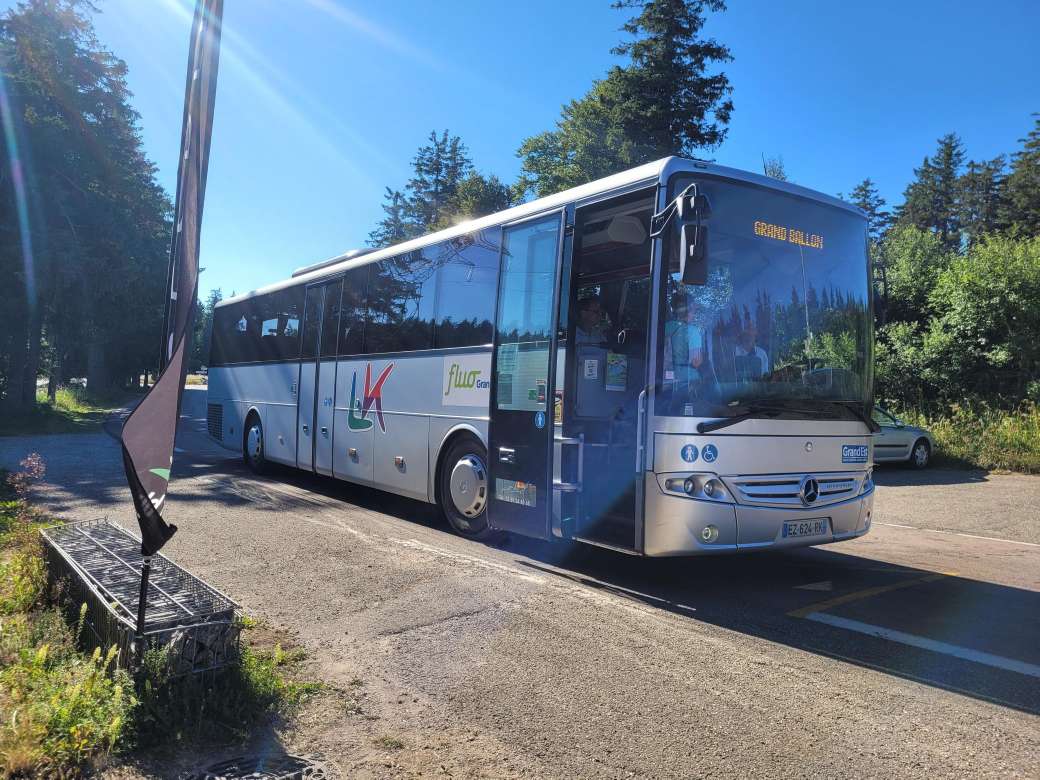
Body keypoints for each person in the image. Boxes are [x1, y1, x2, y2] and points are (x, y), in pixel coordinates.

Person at [664, 293, 705, 385]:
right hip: (686, 380)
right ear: (689, 310)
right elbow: (696, 362)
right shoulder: (692, 331)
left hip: (664, 377)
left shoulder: (665, 327)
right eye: (694, 310)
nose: (694, 314)